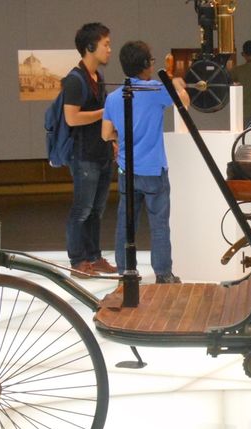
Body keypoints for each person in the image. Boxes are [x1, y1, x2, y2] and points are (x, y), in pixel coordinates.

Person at [102, 40, 190, 284]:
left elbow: (105, 134)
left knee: (125, 223)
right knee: (159, 224)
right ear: (144, 65)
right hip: (154, 170)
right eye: (151, 61)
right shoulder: (155, 90)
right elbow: (184, 102)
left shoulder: (114, 97)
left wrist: (122, 136)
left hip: (126, 169)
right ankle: (163, 274)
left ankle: (125, 272)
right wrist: (176, 83)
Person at [64, 22, 116, 277]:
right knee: (82, 210)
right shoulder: (75, 80)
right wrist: (104, 112)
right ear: (90, 47)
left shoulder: (98, 77)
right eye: (106, 44)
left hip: (101, 152)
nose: (109, 49)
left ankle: (94, 257)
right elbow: (72, 118)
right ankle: (78, 261)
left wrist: (112, 141)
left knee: (96, 210)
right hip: (84, 155)